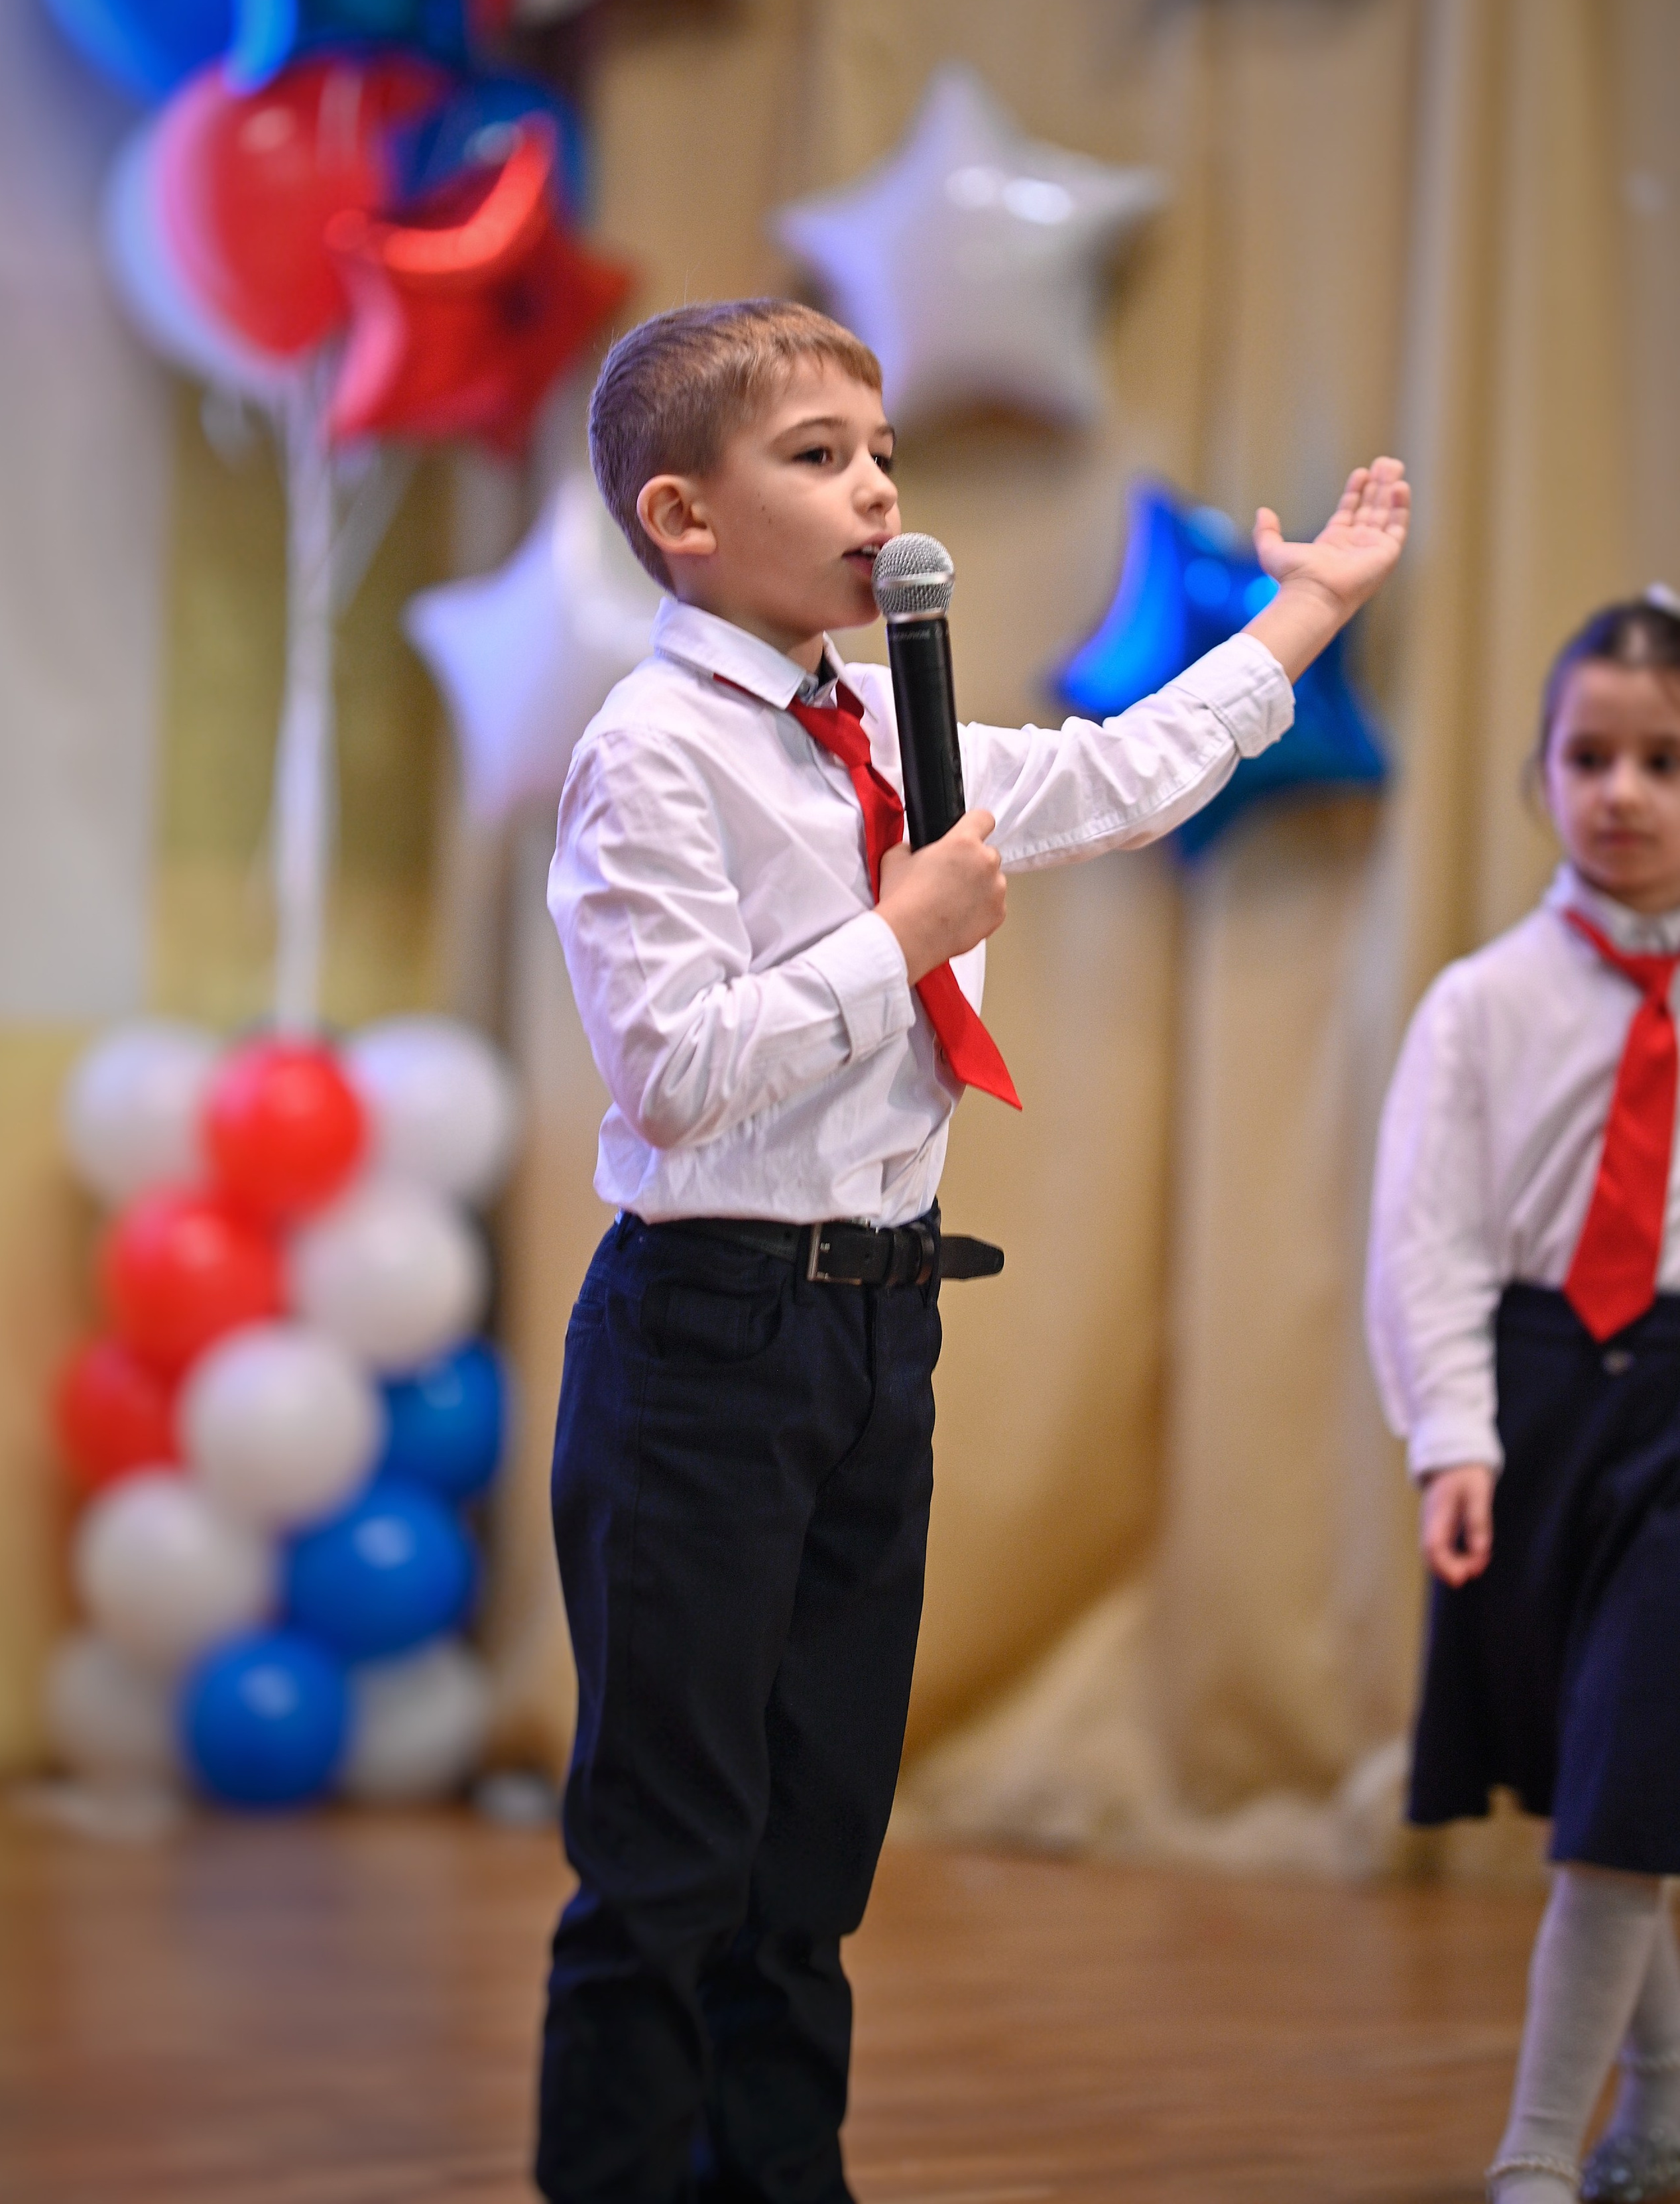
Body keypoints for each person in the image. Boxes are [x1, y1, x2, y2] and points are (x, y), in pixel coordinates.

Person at [542, 295, 1410, 2204]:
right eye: (818, 456)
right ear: (683, 518)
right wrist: (903, 936)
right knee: (672, 1851)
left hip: (874, 1337)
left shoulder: (896, 726)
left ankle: (783, 2182)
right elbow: (677, 1073)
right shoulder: (654, 756)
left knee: (814, 1847)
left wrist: (1312, 611)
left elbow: (1121, 771)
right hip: (706, 1340)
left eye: (882, 452)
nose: (874, 492)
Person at [1368, 592, 1680, 2204]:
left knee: (1629, 1784)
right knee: (1617, 1778)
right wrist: (1454, 1442)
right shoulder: (1481, 1004)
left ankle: (1538, 2157)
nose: (1621, 791)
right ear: (1537, 778)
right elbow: (1422, 1241)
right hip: (1547, 1396)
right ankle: (1662, 2118)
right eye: (1588, 755)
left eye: (1662, 759)